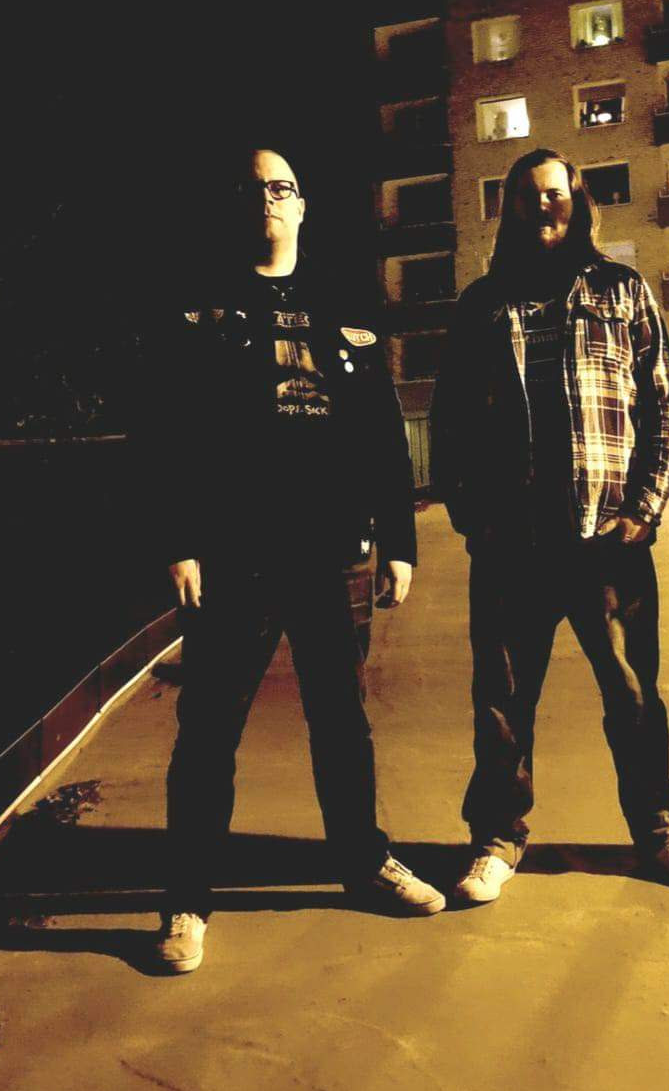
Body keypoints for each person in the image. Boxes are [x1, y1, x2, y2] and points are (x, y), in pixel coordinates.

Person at [137, 147, 445, 974]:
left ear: (303, 206)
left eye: (282, 187)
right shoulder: (198, 309)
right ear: (236, 207)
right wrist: (177, 541)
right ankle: (186, 901)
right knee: (209, 730)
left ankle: (364, 862)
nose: (268, 199)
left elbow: (380, 429)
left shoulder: (344, 302)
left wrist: (399, 540)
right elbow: (165, 433)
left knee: (341, 720)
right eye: (253, 189)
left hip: (328, 550)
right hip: (234, 553)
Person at [431, 148, 669, 904]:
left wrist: (643, 509)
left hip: (605, 542)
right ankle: (496, 841)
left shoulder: (622, 290)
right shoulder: (483, 304)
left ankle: (658, 832)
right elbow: (450, 418)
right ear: (510, 209)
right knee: (502, 704)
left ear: (577, 202)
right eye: (528, 196)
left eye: (555, 193)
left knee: (633, 696)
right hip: (511, 544)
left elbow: (663, 406)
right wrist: (472, 517)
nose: (543, 206)